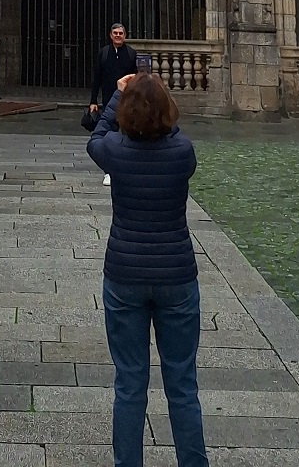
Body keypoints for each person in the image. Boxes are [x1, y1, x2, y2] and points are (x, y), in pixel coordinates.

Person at [86, 72, 208, 467]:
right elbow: (175, 135)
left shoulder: (115, 152)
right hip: (176, 275)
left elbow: (95, 138)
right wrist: (161, 108)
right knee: (183, 386)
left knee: (129, 384)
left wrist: (116, 96)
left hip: (125, 274)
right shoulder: (182, 152)